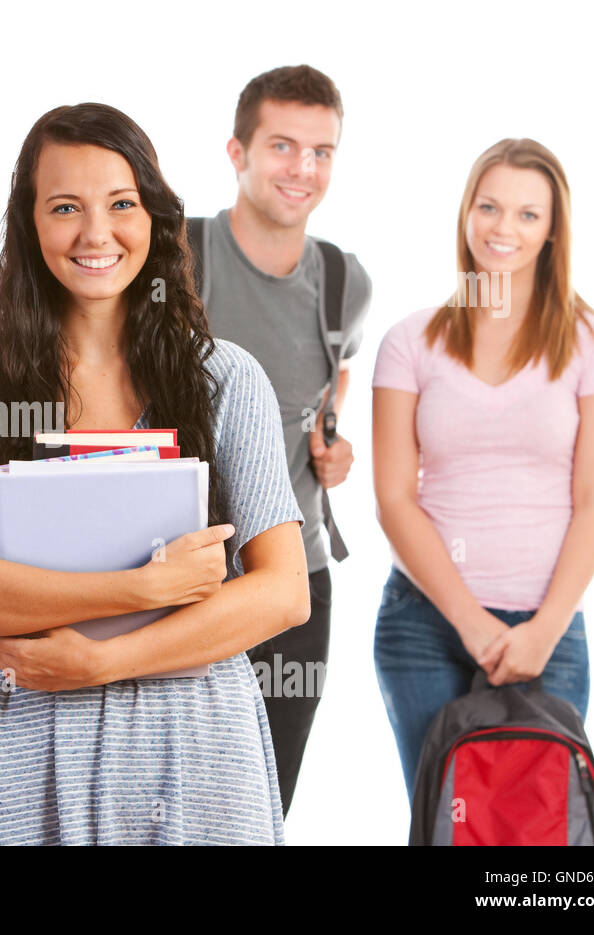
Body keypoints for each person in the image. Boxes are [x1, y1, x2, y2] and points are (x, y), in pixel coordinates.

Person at [0, 102, 310, 845]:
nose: (96, 233)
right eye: (64, 207)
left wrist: (103, 660)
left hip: (198, 749)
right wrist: (140, 588)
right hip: (28, 743)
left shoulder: (226, 381)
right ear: (29, 224)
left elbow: (282, 592)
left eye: (121, 204)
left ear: (152, 216)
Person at [371, 138, 594, 798]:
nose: (503, 228)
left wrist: (542, 629)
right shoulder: (409, 342)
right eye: (489, 206)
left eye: (527, 214)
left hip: (549, 631)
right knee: (445, 825)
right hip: (424, 627)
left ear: (552, 230)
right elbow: (394, 497)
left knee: (534, 842)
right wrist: (470, 621)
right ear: (466, 214)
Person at [192, 64, 372, 818]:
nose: (304, 169)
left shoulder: (343, 279)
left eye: (322, 151)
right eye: (283, 146)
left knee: (264, 814)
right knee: (184, 806)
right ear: (237, 153)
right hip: (188, 578)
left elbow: (332, 376)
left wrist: (333, 444)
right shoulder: (179, 255)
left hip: (297, 581)